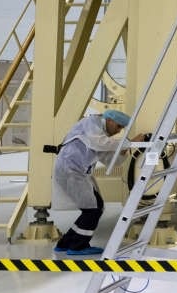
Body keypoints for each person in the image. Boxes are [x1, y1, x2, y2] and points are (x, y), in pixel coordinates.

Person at [52, 109, 148, 255]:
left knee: (94, 208)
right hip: (71, 169)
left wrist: (123, 151)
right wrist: (128, 143)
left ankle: (65, 243)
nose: (118, 131)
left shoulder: (102, 137)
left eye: (122, 128)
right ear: (110, 120)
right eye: (118, 127)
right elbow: (99, 143)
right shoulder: (91, 123)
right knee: (92, 209)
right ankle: (78, 247)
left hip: (78, 172)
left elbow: (110, 161)